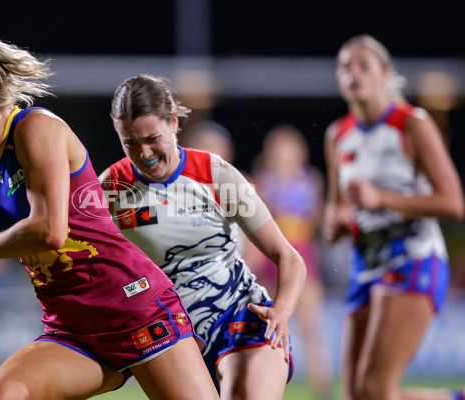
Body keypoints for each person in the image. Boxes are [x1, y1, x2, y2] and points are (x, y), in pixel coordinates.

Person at [0, 36, 219, 400]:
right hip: (71, 325)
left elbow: (49, 232)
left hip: (131, 306)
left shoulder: (36, 129)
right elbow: (10, 234)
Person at [99, 74, 306, 400]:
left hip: (241, 317)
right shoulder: (110, 189)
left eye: (153, 138)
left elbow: (288, 256)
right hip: (171, 337)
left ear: (174, 123)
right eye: (131, 144)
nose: (145, 153)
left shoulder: (216, 174)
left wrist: (282, 308)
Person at [323, 34, 465, 400]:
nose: (352, 73)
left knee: (375, 388)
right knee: (359, 394)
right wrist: (336, 223)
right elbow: (336, 209)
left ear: (385, 75)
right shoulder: (338, 135)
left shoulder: (411, 124)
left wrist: (382, 198)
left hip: (413, 259)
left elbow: (453, 202)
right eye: (344, 66)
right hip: (365, 266)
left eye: (362, 65)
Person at [251, 123, 333, 400]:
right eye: (279, 147)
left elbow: (316, 218)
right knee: (262, 330)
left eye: (289, 147)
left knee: (311, 330)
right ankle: (260, 385)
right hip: (270, 263)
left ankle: (323, 390)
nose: (283, 152)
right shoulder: (262, 181)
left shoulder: (310, 180)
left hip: (302, 260)